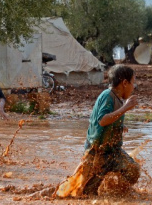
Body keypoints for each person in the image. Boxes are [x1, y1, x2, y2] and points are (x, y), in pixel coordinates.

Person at [55, 64, 140, 197]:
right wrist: (125, 108)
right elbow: (102, 120)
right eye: (133, 83)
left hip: (112, 151)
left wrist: (118, 126)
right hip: (97, 153)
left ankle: (116, 192)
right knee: (83, 190)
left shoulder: (116, 98)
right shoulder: (108, 96)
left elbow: (109, 120)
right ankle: (55, 194)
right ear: (124, 82)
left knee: (133, 170)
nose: (134, 87)